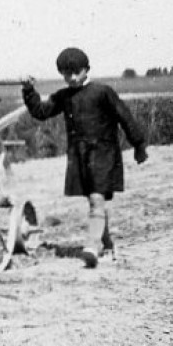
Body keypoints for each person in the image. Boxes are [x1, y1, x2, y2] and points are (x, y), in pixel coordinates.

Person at [20, 47, 150, 269]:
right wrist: (29, 90)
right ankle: (107, 245)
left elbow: (124, 117)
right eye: (65, 74)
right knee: (94, 201)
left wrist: (138, 145)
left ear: (86, 70)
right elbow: (41, 112)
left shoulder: (103, 92)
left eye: (75, 72)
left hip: (104, 154)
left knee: (97, 199)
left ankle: (91, 246)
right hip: (80, 156)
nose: (70, 78)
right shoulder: (64, 96)